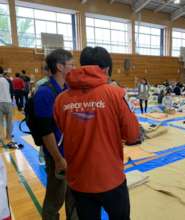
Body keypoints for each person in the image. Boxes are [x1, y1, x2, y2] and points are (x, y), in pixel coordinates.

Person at [54, 46, 140, 220]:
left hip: (79, 180)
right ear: (107, 69)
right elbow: (133, 135)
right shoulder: (116, 94)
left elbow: (66, 130)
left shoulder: (61, 99)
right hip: (110, 178)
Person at [33, 49, 77, 220]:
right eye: (71, 64)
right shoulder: (45, 93)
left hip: (72, 154)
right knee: (55, 198)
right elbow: (46, 131)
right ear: (60, 66)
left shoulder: (67, 89)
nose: (74, 68)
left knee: (73, 197)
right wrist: (58, 159)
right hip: (58, 156)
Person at [0, 67, 13, 146]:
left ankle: (1, 139)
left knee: (0, 122)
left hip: (0, 102)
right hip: (8, 102)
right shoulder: (7, 80)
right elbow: (11, 91)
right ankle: (9, 137)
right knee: (9, 122)